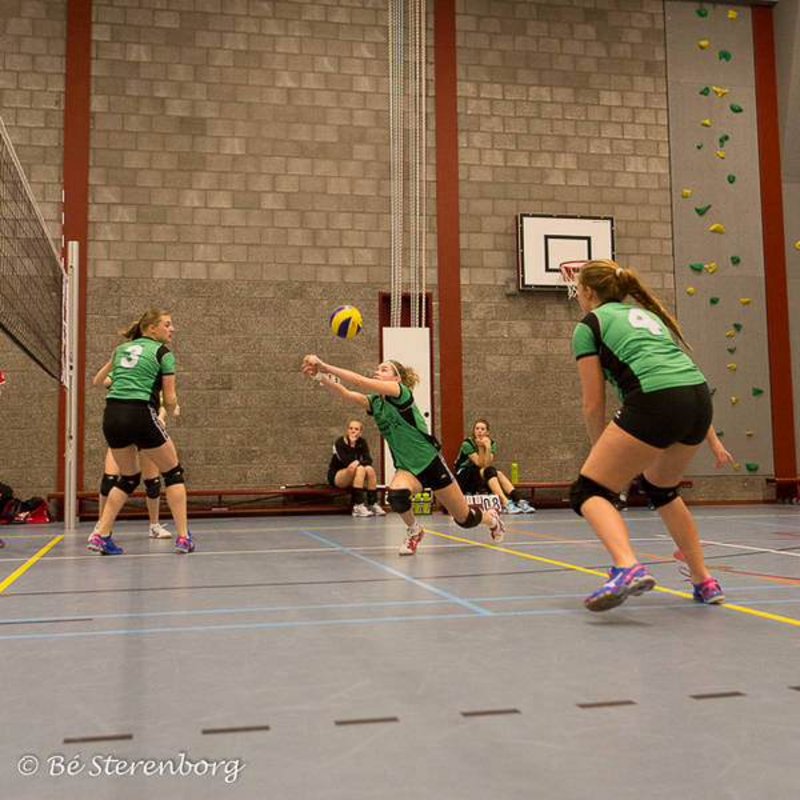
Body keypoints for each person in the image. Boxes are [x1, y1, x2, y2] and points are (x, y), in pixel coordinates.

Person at [569, 259, 724, 611]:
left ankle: (627, 566)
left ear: (589, 292)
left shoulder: (589, 325)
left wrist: (597, 450)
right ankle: (704, 580)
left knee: (589, 491)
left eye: (578, 290)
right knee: (661, 489)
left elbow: (593, 403)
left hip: (656, 399)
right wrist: (711, 436)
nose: (577, 296)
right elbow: (677, 375)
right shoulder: (646, 317)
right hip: (698, 399)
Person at [301, 355, 505, 555]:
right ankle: (414, 531)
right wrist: (319, 376)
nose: (378, 372)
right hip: (407, 468)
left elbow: (360, 382)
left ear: (397, 378)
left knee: (464, 519)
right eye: (378, 368)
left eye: (384, 369)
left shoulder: (400, 392)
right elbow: (346, 393)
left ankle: (492, 520)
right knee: (396, 496)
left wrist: (325, 365)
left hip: (431, 463)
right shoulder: (376, 403)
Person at [88, 308, 194, 555]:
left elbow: (100, 381)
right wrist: (173, 409)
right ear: (151, 328)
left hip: (112, 415)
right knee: (173, 473)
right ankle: (183, 538)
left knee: (128, 478)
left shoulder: (122, 349)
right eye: (167, 324)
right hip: (140, 413)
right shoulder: (163, 353)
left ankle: (101, 534)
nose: (172, 329)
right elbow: (169, 397)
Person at [93, 365, 172, 540]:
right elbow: (101, 381)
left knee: (153, 482)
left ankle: (154, 525)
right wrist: (111, 363)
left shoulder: (155, 374)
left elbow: (164, 402)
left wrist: (161, 417)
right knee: (110, 480)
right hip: (124, 430)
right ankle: (101, 525)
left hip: (145, 430)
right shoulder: (121, 370)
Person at [454, 418, 535, 514]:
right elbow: (479, 464)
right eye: (477, 428)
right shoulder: (467, 443)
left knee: (497, 473)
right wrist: (481, 447)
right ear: (474, 431)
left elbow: (487, 464)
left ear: (487, 432)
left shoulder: (492, 443)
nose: (479, 431)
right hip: (464, 476)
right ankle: (505, 503)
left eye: (482, 429)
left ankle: (519, 500)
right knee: (488, 470)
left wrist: (488, 447)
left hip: (479, 475)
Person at [328, 419, 386, 517]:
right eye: (351, 428)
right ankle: (358, 506)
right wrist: (351, 445)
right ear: (347, 430)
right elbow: (347, 462)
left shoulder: (362, 442)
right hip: (338, 475)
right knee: (360, 469)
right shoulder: (340, 442)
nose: (353, 431)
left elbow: (368, 460)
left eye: (356, 429)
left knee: (369, 469)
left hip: (355, 474)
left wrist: (359, 462)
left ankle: (372, 504)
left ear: (360, 432)